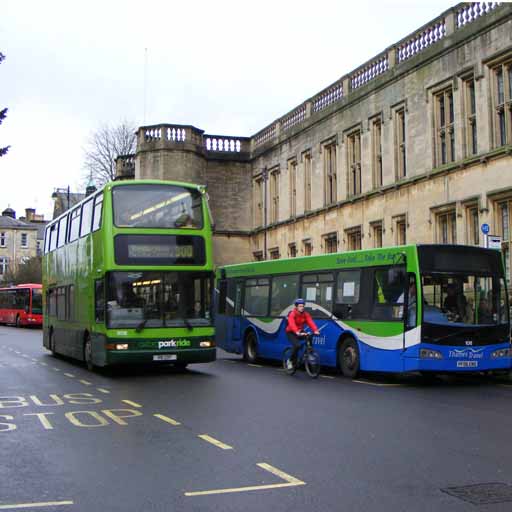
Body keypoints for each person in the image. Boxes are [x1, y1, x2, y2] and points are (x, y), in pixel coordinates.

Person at [285, 299, 320, 370]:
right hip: (291, 332)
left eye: (303, 306)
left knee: (309, 336)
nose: (302, 307)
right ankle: (290, 361)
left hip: (300, 331)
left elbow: (311, 322)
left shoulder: (305, 314)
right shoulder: (292, 314)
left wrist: (315, 330)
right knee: (297, 345)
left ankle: (309, 352)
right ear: (296, 307)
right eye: (300, 306)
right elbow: (292, 324)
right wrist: (296, 331)